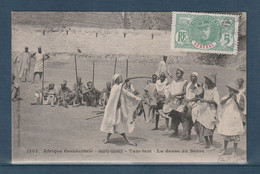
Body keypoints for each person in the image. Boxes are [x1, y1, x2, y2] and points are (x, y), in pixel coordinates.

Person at [100, 74, 143, 146]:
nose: (121, 78)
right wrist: (124, 82)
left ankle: (107, 139)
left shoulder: (120, 88)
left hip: (117, 110)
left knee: (114, 123)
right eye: (120, 78)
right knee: (115, 123)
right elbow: (118, 89)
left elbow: (128, 93)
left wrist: (138, 99)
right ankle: (128, 141)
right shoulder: (115, 87)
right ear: (116, 80)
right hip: (112, 110)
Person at [218, 82, 245, 157]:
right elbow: (221, 103)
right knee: (226, 133)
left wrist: (236, 101)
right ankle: (225, 150)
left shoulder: (241, 96)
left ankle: (235, 152)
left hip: (235, 118)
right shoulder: (227, 95)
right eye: (229, 89)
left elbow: (242, 108)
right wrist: (229, 97)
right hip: (227, 117)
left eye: (231, 89)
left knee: (235, 135)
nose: (230, 90)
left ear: (235, 90)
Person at [196, 73, 219, 150]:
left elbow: (216, 101)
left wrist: (205, 100)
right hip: (204, 109)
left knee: (209, 128)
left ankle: (212, 145)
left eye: (207, 79)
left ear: (210, 81)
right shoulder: (205, 88)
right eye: (205, 79)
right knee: (203, 126)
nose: (205, 80)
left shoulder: (215, 90)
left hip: (211, 110)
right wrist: (199, 88)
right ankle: (207, 143)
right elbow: (200, 92)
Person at [164, 68, 188, 136]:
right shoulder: (174, 82)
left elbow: (185, 91)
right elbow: (170, 91)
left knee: (181, 116)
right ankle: (175, 130)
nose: (177, 74)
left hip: (180, 101)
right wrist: (168, 99)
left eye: (179, 73)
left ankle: (185, 132)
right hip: (173, 101)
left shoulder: (184, 82)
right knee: (174, 115)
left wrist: (176, 95)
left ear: (182, 74)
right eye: (176, 73)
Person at [182, 72, 203, 141]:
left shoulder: (199, 85)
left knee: (196, 121)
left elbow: (199, 97)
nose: (191, 78)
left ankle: (198, 136)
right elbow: (186, 94)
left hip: (196, 104)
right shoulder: (188, 84)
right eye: (191, 76)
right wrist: (186, 101)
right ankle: (188, 135)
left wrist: (190, 100)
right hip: (188, 104)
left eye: (193, 76)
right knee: (187, 119)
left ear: (196, 77)